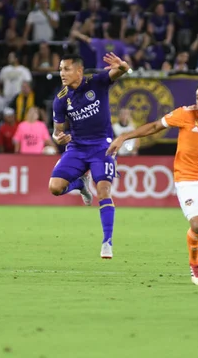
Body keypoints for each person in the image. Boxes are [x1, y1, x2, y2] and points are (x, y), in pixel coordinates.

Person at [107, 80, 198, 285]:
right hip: (187, 179)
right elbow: (155, 126)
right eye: (197, 98)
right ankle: (195, 264)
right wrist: (124, 136)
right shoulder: (184, 114)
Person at [49, 53, 130, 259]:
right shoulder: (61, 99)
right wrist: (58, 137)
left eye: (66, 69)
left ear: (79, 71)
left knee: (103, 191)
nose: (62, 73)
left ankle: (107, 242)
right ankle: (79, 185)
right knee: (55, 188)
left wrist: (121, 65)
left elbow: (121, 71)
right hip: (77, 148)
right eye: (60, 69)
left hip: (102, 146)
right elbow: (57, 130)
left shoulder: (97, 81)